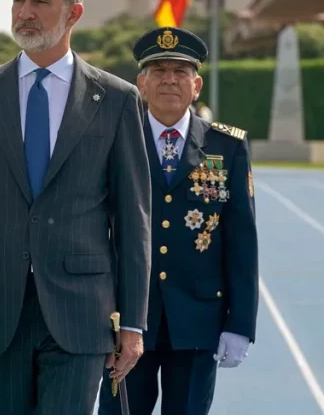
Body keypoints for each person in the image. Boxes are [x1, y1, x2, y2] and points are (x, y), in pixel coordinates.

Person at [0, 0, 152, 414]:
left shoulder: (117, 100)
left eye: (39, 1)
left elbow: (133, 220)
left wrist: (134, 323)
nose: (24, 11)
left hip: (80, 313)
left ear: (74, 12)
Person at [98, 27, 259, 415]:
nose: (169, 78)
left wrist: (240, 323)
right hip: (127, 319)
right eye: (158, 70)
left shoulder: (227, 147)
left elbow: (241, 242)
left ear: (197, 84)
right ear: (141, 82)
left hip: (198, 320)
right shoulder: (113, 139)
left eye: (180, 71)